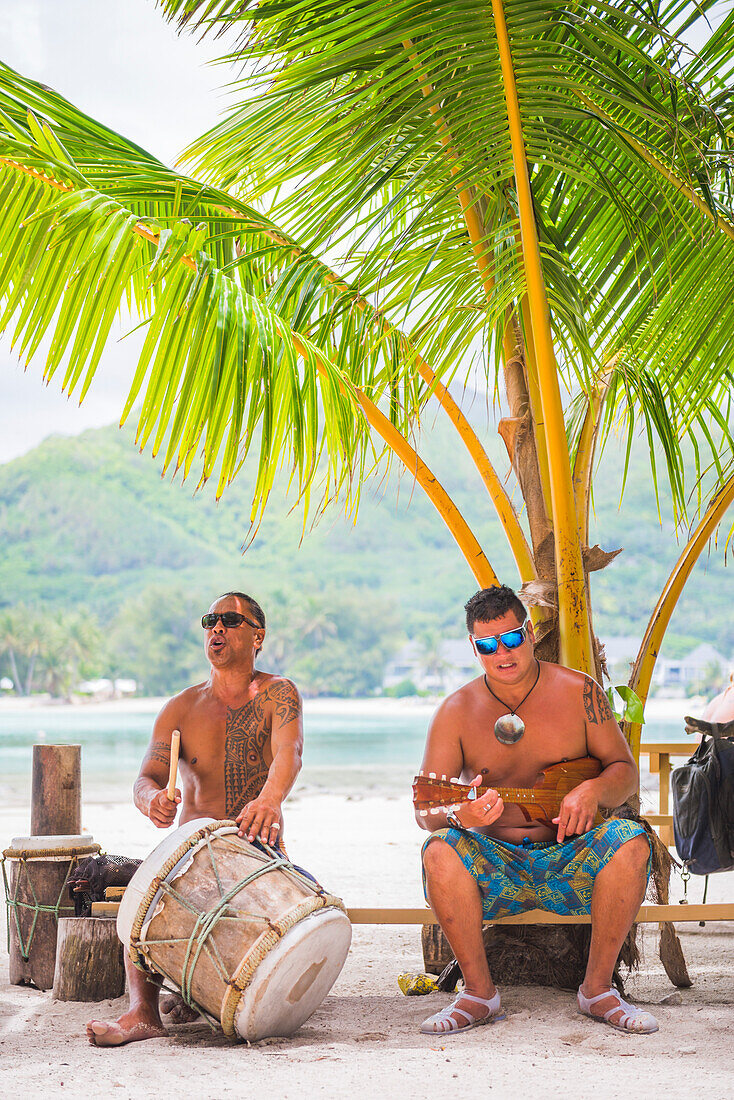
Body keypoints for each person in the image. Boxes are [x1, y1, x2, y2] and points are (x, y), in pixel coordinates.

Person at [417, 584, 658, 1036]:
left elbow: (625, 771)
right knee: (439, 850)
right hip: (495, 867)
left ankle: (598, 990)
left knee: (630, 842)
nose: (502, 653)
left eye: (510, 638)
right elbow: (427, 811)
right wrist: (460, 816)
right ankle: (478, 994)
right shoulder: (456, 711)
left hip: (571, 857)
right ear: (475, 648)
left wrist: (591, 791)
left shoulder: (579, 692)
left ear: (528, 633)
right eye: (488, 645)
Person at [87, 591, 303, 1047]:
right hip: (189, 850)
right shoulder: (180, 708)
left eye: (230, 620)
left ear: (257, 636)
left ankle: (194, 993)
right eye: (210, 621)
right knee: (146, 896)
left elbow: (290, 753)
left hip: (254, 845)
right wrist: (151, 801)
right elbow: (145, 778)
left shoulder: (278, 694)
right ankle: (143, 1012)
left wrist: (268, 800)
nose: (217, 629)